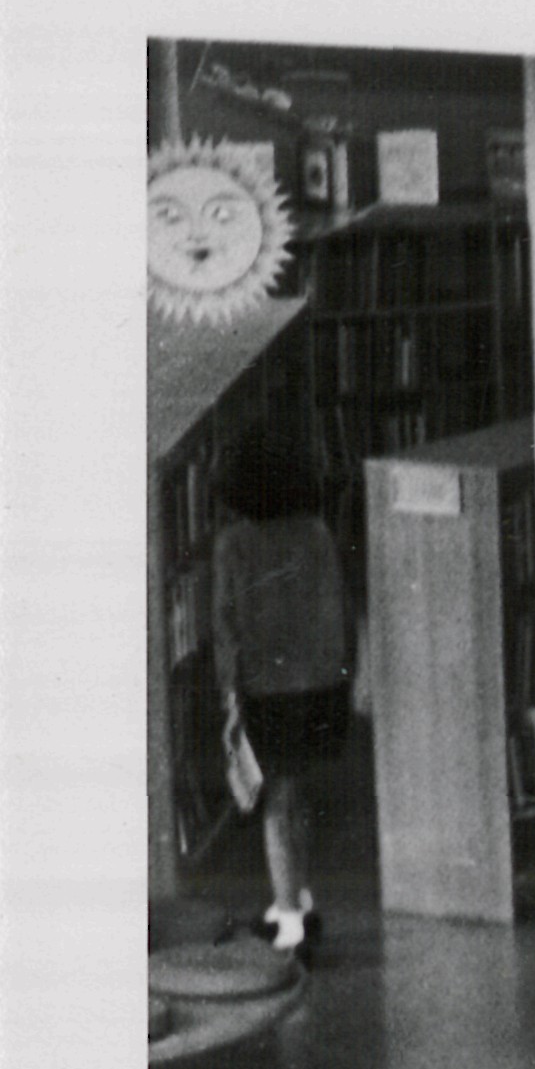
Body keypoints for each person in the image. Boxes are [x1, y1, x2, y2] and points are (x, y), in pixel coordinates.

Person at [198, 410, 360, 959]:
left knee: (275, 805)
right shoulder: (317, 532)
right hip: (321, 684)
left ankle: (291, 923)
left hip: (267, 688)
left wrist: (229, 697)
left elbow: (227, 627)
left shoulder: (233, 544)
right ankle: (296, 896)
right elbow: (340, 609)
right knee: (297, 794)